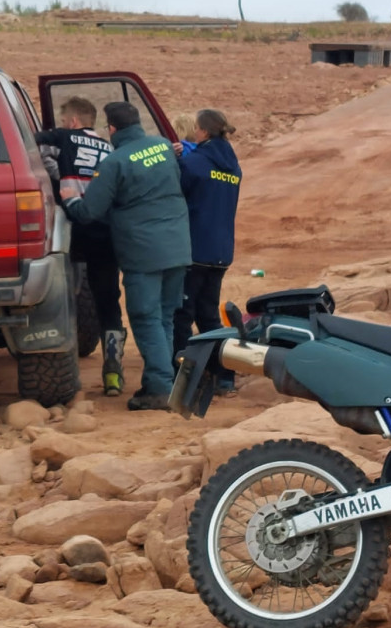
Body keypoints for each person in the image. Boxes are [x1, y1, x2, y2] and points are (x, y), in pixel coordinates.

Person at [61, 102, 190, 411]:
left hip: (143, 252)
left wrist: (69, 202)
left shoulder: (114, 162)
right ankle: (164, 381)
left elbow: (91, 211)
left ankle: (159, 388)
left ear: (113, 130)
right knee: (165, 316)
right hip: (177, 246)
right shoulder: (161, 146)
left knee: (146, 318)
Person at [35, 97, 126, 396]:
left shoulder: (62, 137)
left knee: (61, 297)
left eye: (64, 121)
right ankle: (113, 371)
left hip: (72, 231)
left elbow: (29, 146)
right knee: (108, 301)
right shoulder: (110, 147)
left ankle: (61, 371)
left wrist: (55, 170)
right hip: (105, 232)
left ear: (72, 122)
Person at [172, 109, 243, 396]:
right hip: (221, 251)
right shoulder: (234, 166)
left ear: (201, 131)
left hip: (195, 249)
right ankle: (224, 375)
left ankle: (186, 378)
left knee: (182, 316)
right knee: (209, 315)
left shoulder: (195, 163)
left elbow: (178, 194)